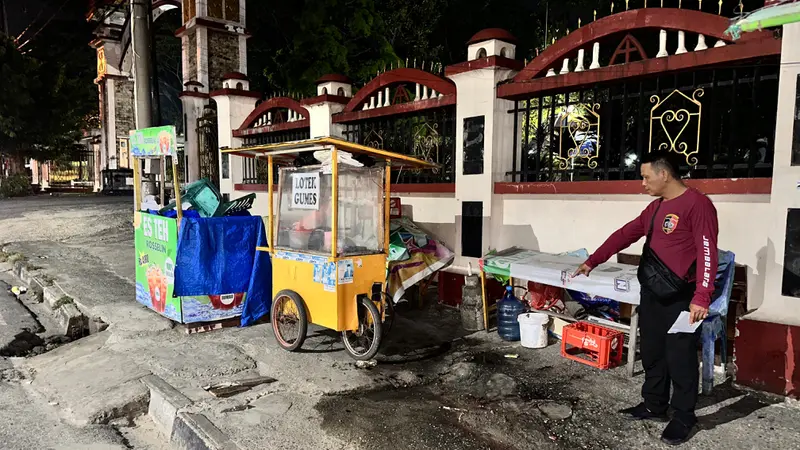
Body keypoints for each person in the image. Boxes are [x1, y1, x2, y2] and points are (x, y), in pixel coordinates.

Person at [573, 150, 718, 446]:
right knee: (652, 351)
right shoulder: (654, 209)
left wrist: (702, 297)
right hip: (652, 293)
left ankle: (684, 416)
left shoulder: (697, 205)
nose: (642, 183)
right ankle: (654, 404)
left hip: (683, 298)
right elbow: (625, 234)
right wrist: (593, 260)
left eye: (645, 176)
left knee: (679, 357)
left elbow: (707, 252)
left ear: (664, 174)